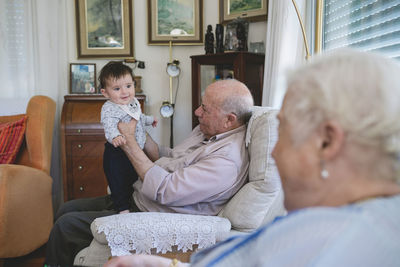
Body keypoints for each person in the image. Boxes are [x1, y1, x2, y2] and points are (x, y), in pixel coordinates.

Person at [104, 50, 400, 267]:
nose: (273, 152)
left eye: (284, 133)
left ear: (327, 142)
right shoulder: (345, 223)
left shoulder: (331, 240)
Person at [44, 79, 254, 267]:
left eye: (205, 109)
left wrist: (129, 143)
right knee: (67, 208)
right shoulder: (208, 131)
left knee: (65, 227)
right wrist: (137, 130)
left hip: (149, 212)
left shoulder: (226, 162)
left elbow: (165, 189)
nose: (197, 112)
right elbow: (170, 156)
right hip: (137, 197)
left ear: (229, 119)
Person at [99, 61, 157, 214]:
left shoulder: (133, 103)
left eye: (128, 86)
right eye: (117, 89)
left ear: (134, 85)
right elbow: (109, 125)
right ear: (105, 93)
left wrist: (150, 120)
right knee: (117, 181)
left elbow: (138, 118)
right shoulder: (109, 108)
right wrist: (115, 136)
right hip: (116, 152)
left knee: (133, 178)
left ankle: (131, 203)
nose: (124, 92)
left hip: (135, 149)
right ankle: (122, 208)